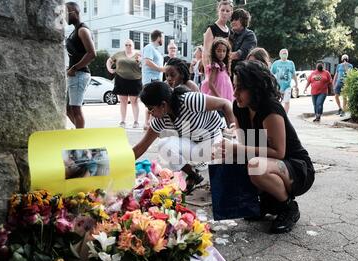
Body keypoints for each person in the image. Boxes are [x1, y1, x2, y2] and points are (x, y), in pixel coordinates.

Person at [214, 61, 315, 234]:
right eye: (234, 86)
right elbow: (245, 146)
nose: (235, 93)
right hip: (271, 164)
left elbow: (279, 152)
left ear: (255, 88)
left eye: (240, 88)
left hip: (296, 167)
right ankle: (266, 202)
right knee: (229, 157)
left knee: (255, 166)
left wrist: (237, 148)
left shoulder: (270, 108)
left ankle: (288, 208)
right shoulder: (239, 108)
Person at [132, 81, 235, 194]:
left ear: (163, 105)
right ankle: (194, 175)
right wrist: (119, 162)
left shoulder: (190, 100)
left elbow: (225, 103)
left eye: (151, 108)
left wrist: (232, 127)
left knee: (221, 189)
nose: (150, 113)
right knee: (164, 145)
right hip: (195, 147)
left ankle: (220, 172)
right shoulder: (160, 119)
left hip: (215, 141)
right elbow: (140, 147)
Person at [65, 2, 96, 129]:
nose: (64, 16)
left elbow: (92, 53)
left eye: (65, 13)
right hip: (75, 74)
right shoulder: (74, 31)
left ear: (74, 12)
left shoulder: (82, 30)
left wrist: (74, 68)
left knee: (76, 109)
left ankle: (81, 138)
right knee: (67, 108)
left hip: (80, 74)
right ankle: (80, 132)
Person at [106, 39, 142, 128]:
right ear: (124, 46)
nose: (128, 46)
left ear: (133, 46)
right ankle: (122, 121)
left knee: (134, 101)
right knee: (123, 101)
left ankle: (136, 121)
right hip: (121, 79)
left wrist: (140, 61)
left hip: (135, 80)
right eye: (126, 45)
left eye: (130, 45)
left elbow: (143, 64)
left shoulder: (138, 54)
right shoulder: (119, 54)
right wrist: (110, 69)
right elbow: (109, 60)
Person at [142, 30, 165, 130]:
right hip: (150, 80)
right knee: (151, 104)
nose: (163, 40)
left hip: (157, 80)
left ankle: (151, 124)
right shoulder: (149, 47)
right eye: (163, 38)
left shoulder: (156, 50)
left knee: (155, 104)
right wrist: (161, 69)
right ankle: (147, 124)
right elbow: (147, 61)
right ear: (159, 37)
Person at [201, 38, 234, 103]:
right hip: (219, 95)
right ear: (214, 52)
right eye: (218, 51)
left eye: (224, 51)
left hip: (226, 93)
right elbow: (211, 84)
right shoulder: (215, 66)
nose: (221, 53)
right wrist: (219, 97)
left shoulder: (224, 65)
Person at [202, 0, 233, 68]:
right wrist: (208, 72)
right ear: (218, 11)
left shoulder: (229, 31)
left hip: (225, 68)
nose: (224, 13)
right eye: (222, 10)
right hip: (213, 68)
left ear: (231, 13)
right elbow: (206, 53)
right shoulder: (211, 29)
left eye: (227, 11)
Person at [229, 8, 257, 74]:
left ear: (243, 20)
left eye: (236, 19)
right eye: (232, 20)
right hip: (230, 73)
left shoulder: (249, 35)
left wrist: (221, 56)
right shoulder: (229, 34)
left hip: (244, 73)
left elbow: (240, 54)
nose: (233, 22)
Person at [270, 48, 298, 113]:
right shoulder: (276, 63)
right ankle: (279, 114)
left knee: (287, 101)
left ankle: (285, 115)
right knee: (278, 102)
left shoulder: (291, 63)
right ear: (280, 55)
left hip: (287, 86)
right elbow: (271, 74)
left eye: (286, 54)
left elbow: (293, 74)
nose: (284, 55)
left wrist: (296, 83)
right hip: (278, 86)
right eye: (283, 53)